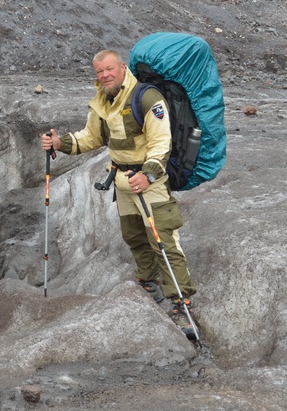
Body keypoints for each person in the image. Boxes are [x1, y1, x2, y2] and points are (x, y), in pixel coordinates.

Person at [41, 49, 197, 335]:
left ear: (123, 67)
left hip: (149, 183)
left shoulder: (147, 98)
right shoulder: (102, 101)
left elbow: (161, 143)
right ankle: (149, 284)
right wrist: (60, 143)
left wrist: (148, 175)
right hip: (124, 182)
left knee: (164, 241)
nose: (104, 75)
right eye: (99, 72)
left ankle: (181, 304)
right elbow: (91, 137)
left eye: (109, 69)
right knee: (134, 236)